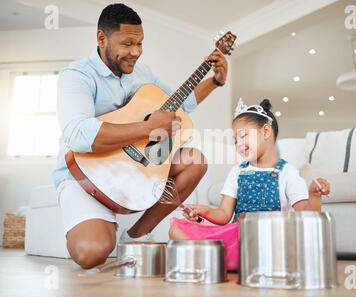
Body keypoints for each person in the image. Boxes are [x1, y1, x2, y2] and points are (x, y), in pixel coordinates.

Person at [53, 3, 228, 269]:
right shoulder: (77, 76)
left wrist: (215, 82)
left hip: (133, 171)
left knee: (195, 160)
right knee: (91, 253)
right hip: (85, 179)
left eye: (140, 43)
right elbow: (77, 134)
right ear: (101, 38)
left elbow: (183, 103)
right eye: (127, 44)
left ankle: (134, 236)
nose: (135, 52)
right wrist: (147, 128)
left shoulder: (142, 73)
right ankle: (102, 224)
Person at [169, 98, 331, 270]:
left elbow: (306, 218)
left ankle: (215, 260)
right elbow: (224, 214)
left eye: (243, 136)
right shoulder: (237, 171)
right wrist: (204, 210)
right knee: (176, 230)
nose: (239, 145)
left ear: (266, 131)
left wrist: (314, 195)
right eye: (235, 141)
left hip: (271, 240)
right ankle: (228, 260)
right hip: (237, 237)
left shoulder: (288, 172)